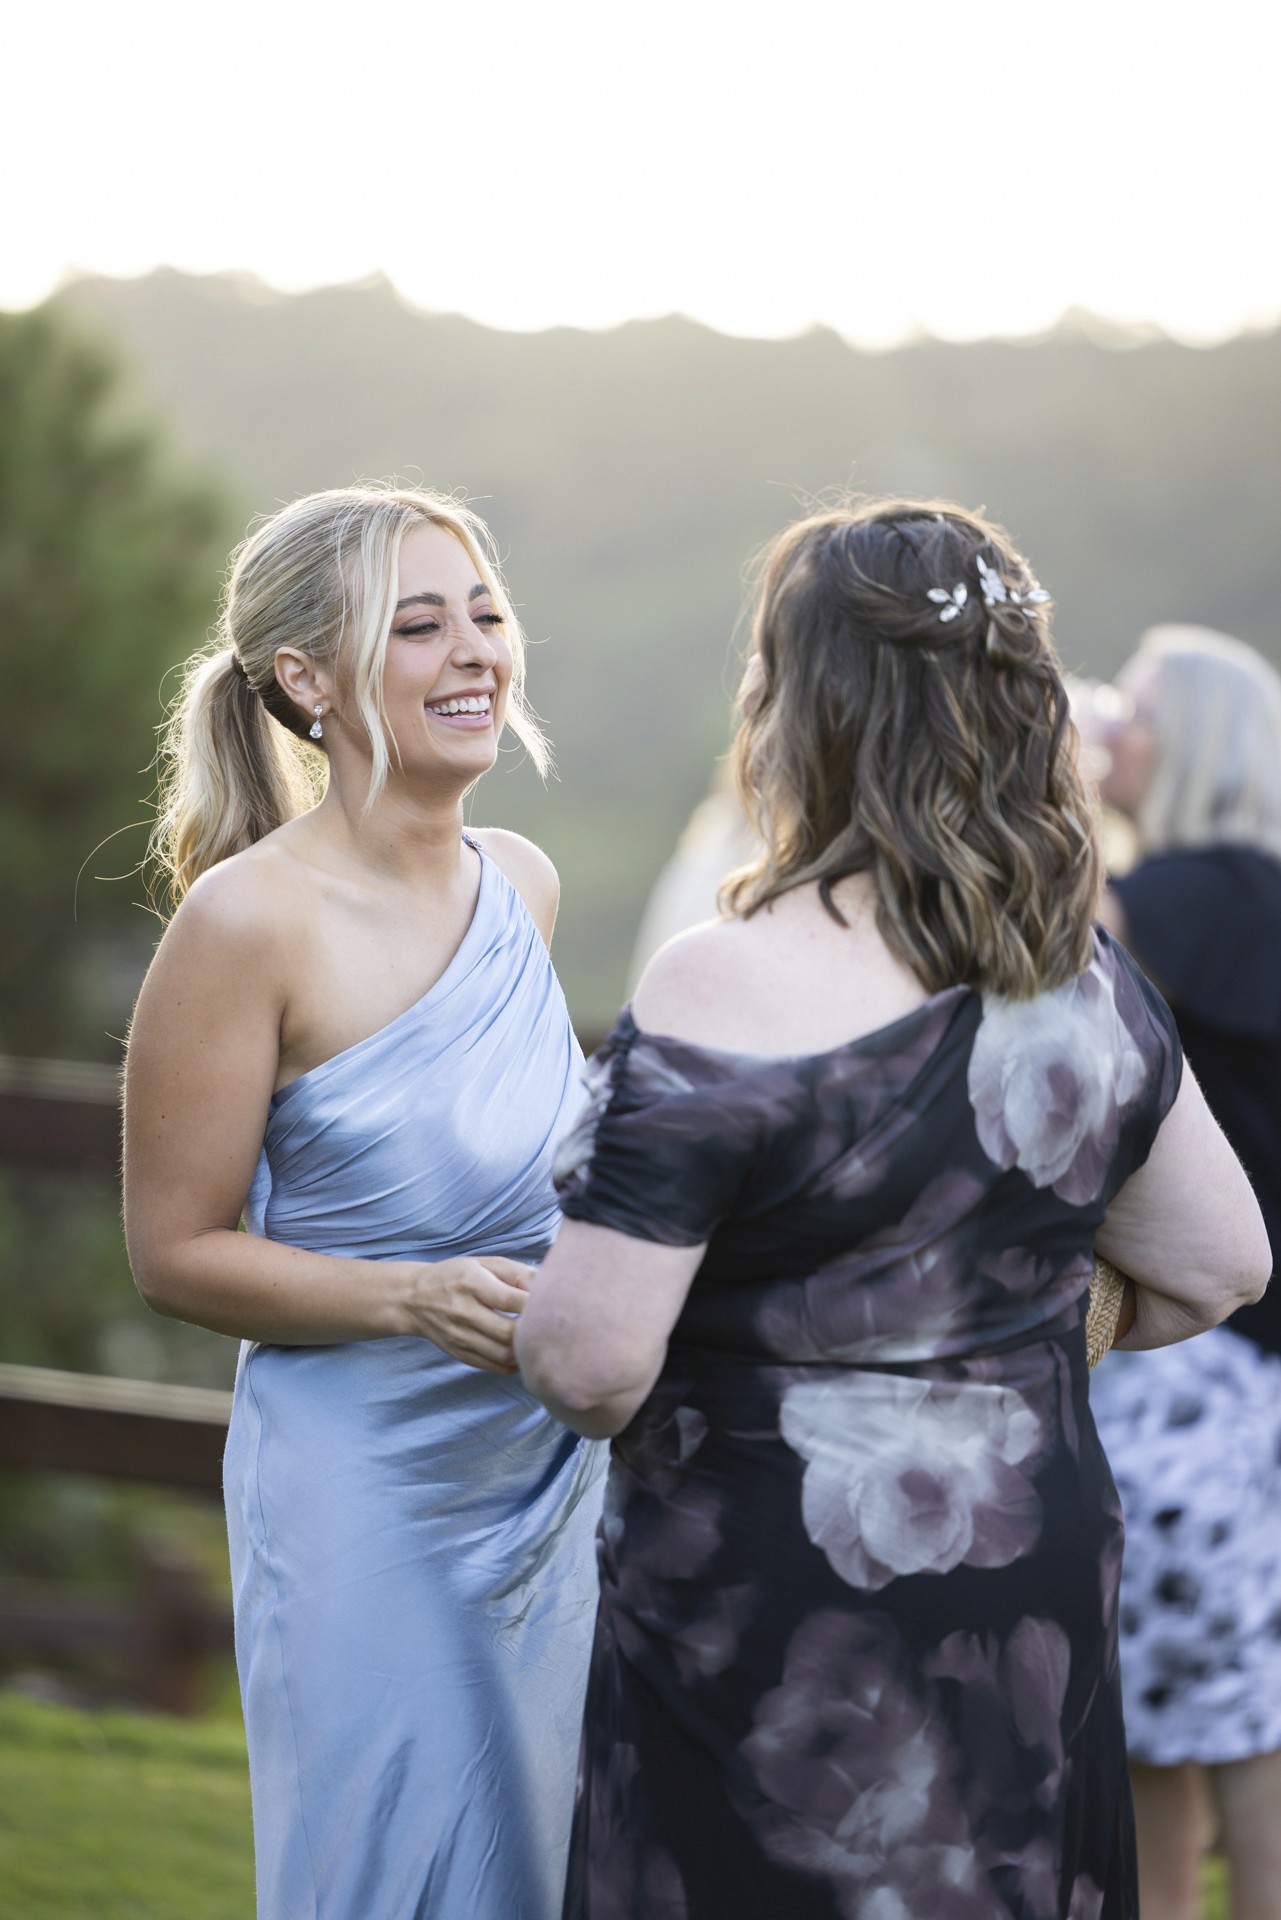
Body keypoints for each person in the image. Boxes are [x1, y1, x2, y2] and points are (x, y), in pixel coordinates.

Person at [515, 501, 1271, 1920]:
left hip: (779, 1616)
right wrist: (1000, 1335)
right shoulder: (1082, 980)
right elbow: (1218, 1266)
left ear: (801, 706)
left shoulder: (716, 981)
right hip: (1026, 1585)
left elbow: (587, 1362)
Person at [123, 485, 606, 1920]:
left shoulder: (523, 886)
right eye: (417, 624)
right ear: (305, 679)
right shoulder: (244, 922)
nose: (474, 652)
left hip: (556, 1474)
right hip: (367, 1495)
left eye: (486, 614)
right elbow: (173, 1254)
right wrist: (406, 1294)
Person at [1087, 627, 1281, 1920]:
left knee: (1195, 1726)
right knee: (1194, 1722)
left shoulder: (1193, 895)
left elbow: (1046, 939)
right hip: (1233, 1372)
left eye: (1135, 713)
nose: (1114, 732)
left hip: (1191, 1380)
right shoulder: (1242, 893)